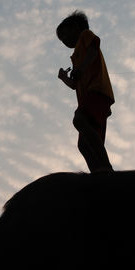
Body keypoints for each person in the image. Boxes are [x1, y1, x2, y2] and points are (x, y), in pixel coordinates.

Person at [56, 11, 115, 172]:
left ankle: (106, 169)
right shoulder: (75, 56)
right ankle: (98, 172)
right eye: (61, 40)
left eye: (64, 35)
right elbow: (75, 84)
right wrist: (64, 78)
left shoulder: (85, 36)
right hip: (89, 98)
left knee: (79, 120)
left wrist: (81, 68)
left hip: (97, 91)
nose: (65, 41)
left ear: (75, 27)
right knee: (83, 144)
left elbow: (94, 50)